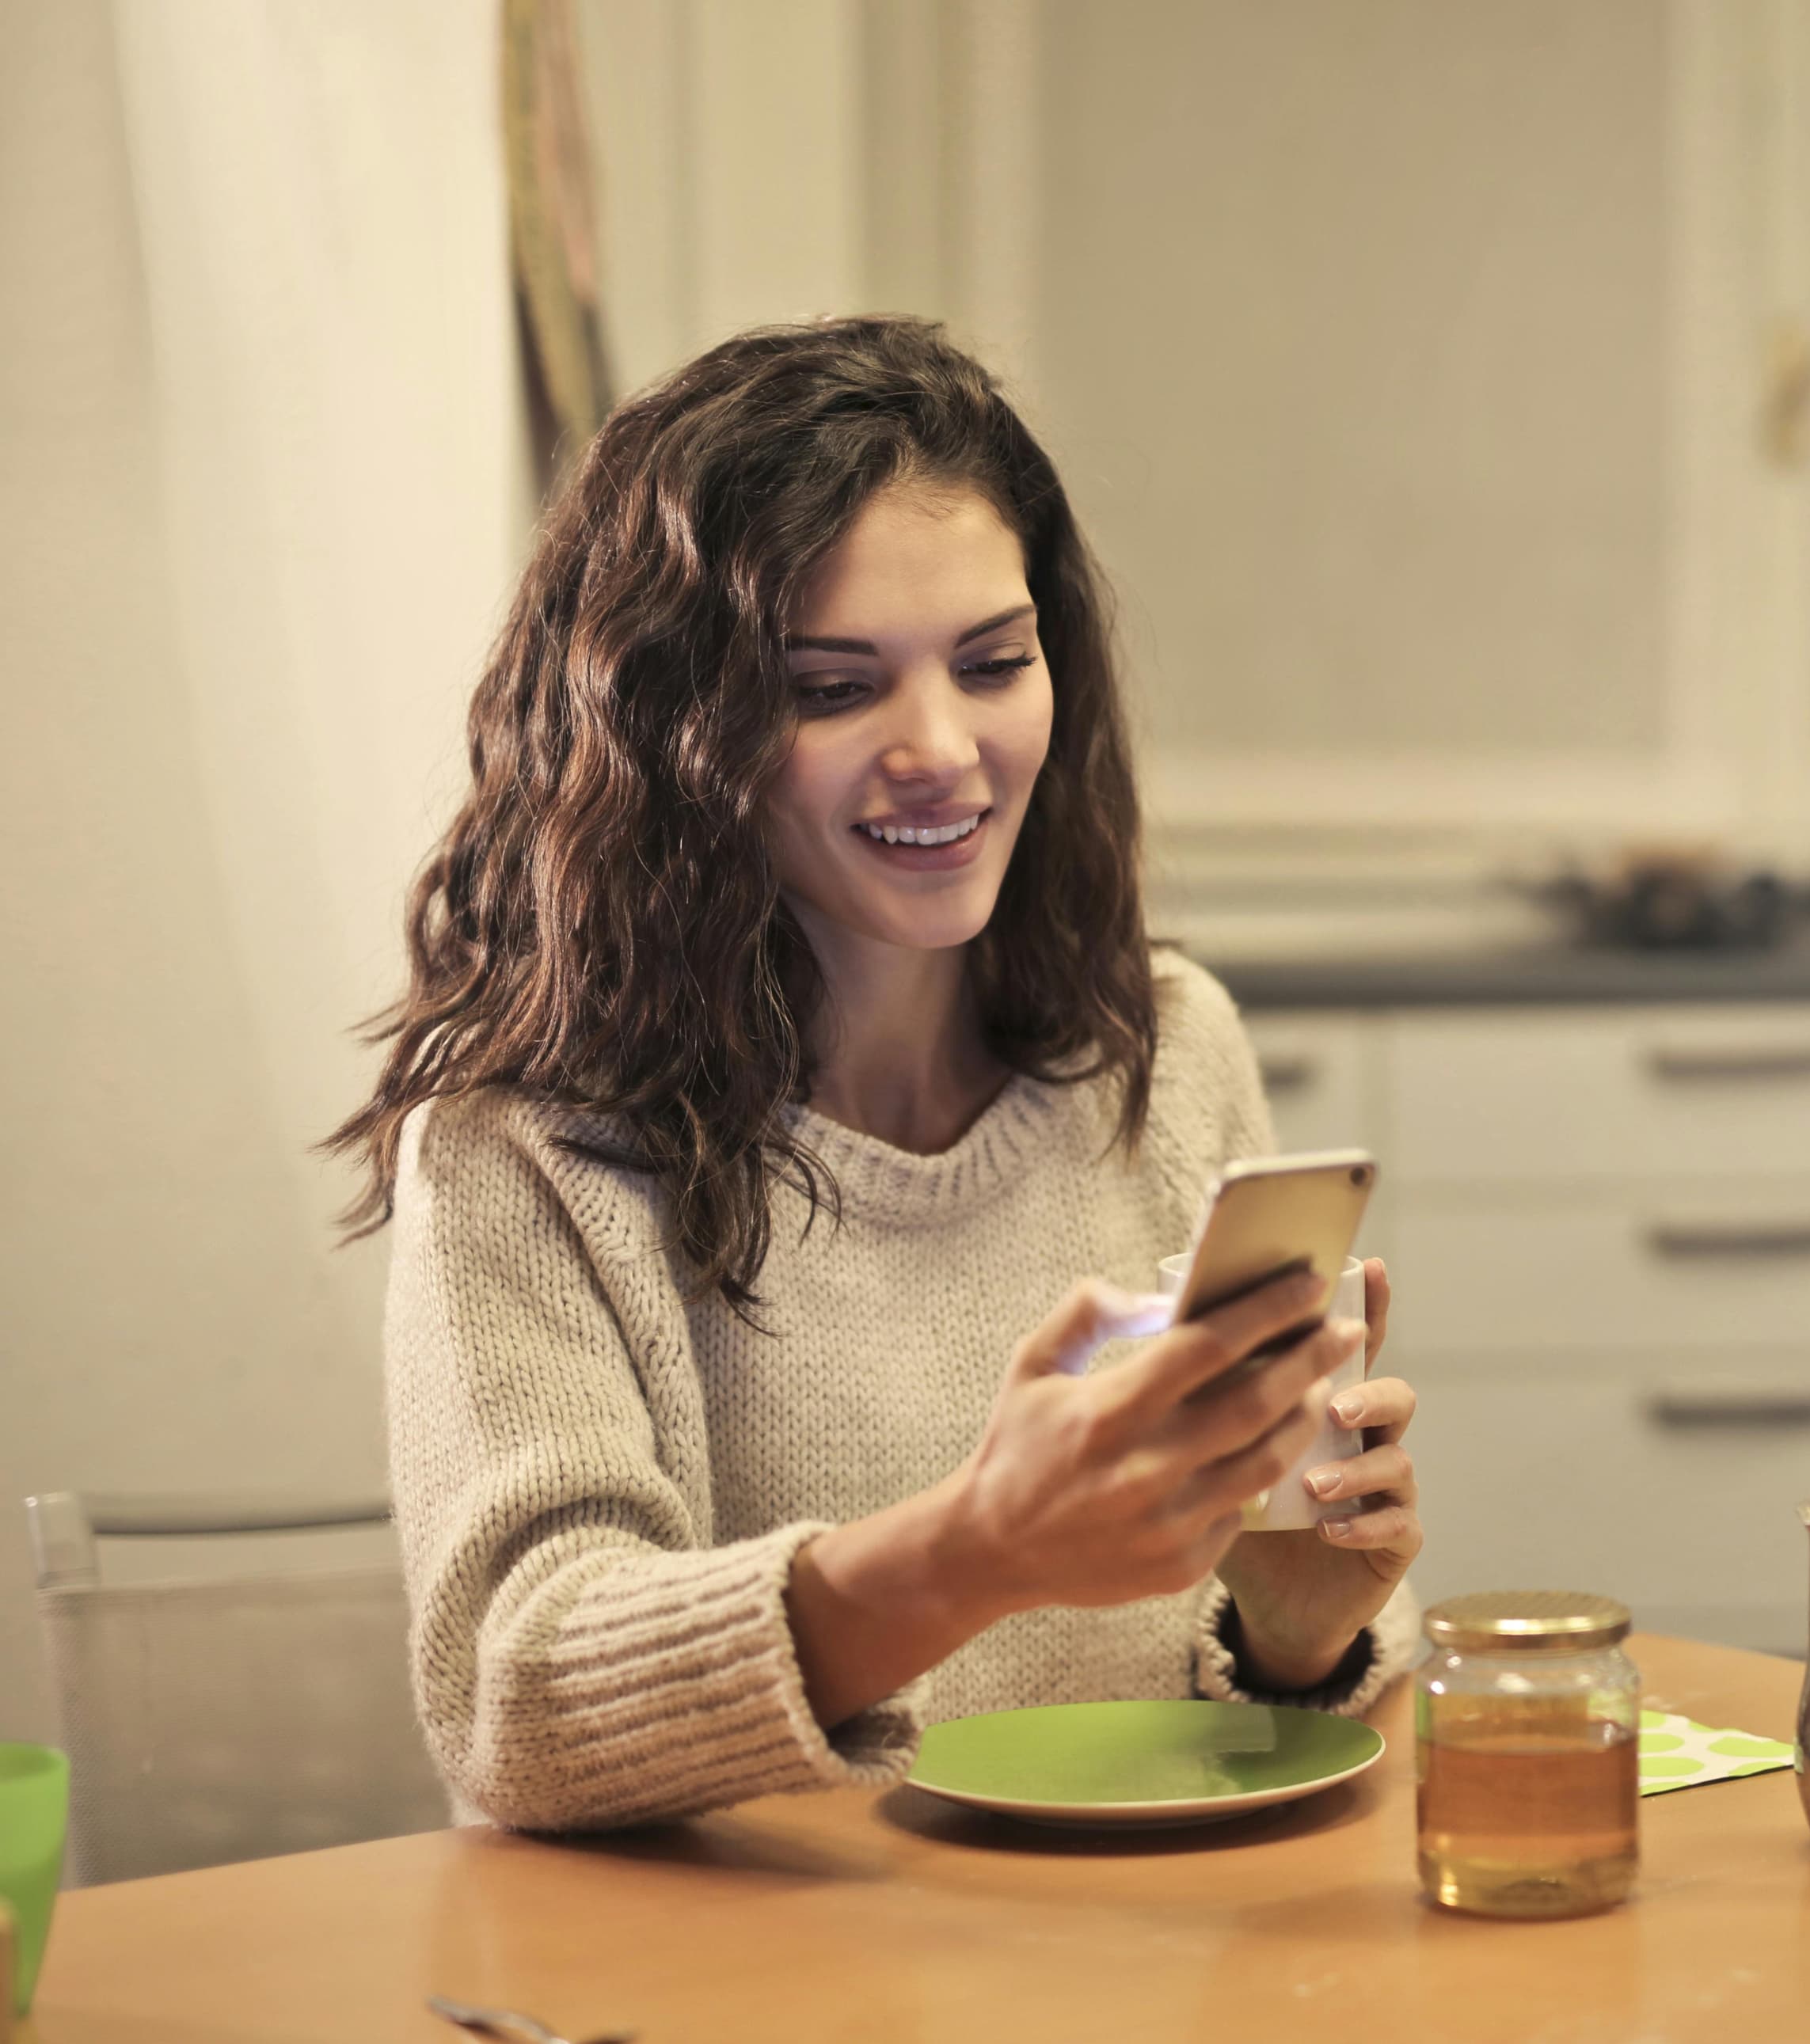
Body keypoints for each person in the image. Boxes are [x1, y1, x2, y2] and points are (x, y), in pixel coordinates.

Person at [328, 317, 1424, 1831]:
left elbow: (1250, 1710)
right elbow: (525, 1709)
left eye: (994, 663)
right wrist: (979, 1547)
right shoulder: (521, 1150)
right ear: (672, 730)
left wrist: (1292, 1622)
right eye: (833, 688)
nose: (945, 751)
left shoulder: (1164, 1057)